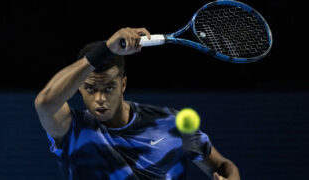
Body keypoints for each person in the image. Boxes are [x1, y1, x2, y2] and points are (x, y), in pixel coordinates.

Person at [34, 27, 240, 180]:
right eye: (90, 89)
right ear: (78, 87)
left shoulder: (172, 123)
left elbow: (222, 165)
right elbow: (45, 103)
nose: (100, 98)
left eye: (108, 88)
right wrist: (106, 48)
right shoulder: (72, 131)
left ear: (123, 85)